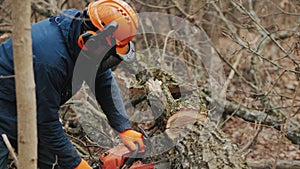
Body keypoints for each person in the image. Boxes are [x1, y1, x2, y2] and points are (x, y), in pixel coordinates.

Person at [0, 0, 145, 168]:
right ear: (90, 39)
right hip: (5, 109)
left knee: (52, 163)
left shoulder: (86, 46)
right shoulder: (50, 60)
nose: (106, 59)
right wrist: (76, 163)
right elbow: (46, 120)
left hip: (33, 111)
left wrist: (123, 127)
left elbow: (103, 81)